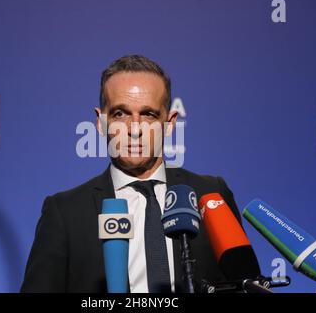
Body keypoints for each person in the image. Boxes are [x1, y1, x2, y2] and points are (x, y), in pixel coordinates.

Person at [21, 54, 259, 293]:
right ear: (100, 122)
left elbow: (247, 285)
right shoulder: (65, 212)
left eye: (148, 114)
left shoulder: (211, 194)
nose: (135, 129)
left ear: (170, 122)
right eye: (120, 114)